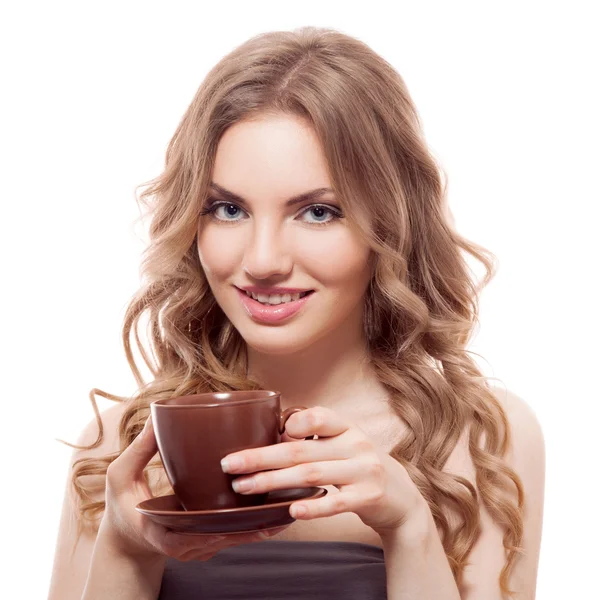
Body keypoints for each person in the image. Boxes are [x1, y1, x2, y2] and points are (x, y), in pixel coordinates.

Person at [48, 26, 545, 600]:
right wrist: (125, 545)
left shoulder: (480, 438)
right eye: (228, 209)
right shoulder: (118, 450)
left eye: (317, 212)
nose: (262, 261)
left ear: (389, 222)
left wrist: (409, 526)